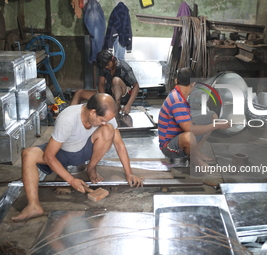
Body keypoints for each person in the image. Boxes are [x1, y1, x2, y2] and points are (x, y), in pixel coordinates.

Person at [12, 93, 143, 222]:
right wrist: (71, 180)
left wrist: (129, 173)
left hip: (85, 150)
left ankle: (91, 168)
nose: (104, 123)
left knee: (108, 130)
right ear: (92, 113)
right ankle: (34, 206)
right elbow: (49, 156)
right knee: (28, 154)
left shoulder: (106, 116)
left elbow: (119, 145)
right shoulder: (68, 118)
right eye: (102, 120)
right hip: (62, 154)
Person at [158, 67, 230, 166]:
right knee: (189, 137)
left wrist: (215, 123)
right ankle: (195, 160)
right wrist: (217, 125)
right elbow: (190, 129)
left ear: (176, 81)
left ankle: (196, 152)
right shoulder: (177, 100)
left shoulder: (180, 95)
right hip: (169, 147)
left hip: (178, 135)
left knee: (211, 116)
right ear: (193, 84)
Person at [71, 50, 139, 115]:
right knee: (79, 93)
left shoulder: (124, 67)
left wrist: (128, 105)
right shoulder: (104, 67)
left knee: (116, 80)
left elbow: (136, 86)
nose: (106, 67)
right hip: (109, 94)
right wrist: (103, 100)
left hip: (123, 95)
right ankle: (70, 115)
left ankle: (116, 108)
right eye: (104, 66)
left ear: (112, 60)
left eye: (108, 65)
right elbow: (101, 84)